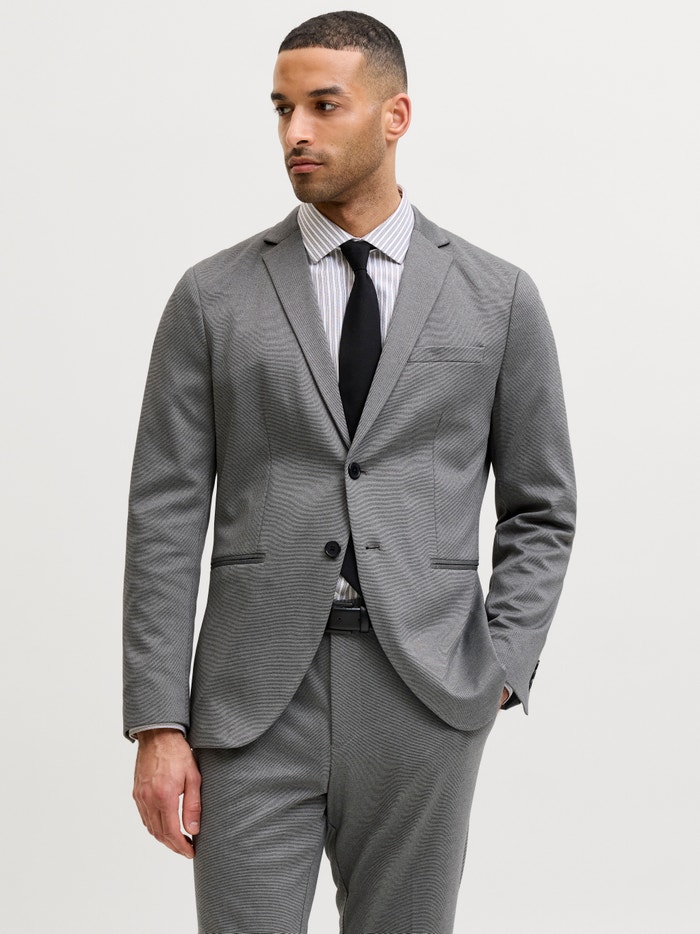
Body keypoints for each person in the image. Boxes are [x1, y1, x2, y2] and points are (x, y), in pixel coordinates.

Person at [123, 10, 576, 933]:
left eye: (323, 106)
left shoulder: (497, 297)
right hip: (250, 700)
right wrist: (157, 721)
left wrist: (499, 663)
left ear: (395, 115)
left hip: (424, 693)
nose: (295, 131)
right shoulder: (212, 297)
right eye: (281, 108)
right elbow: (164, 514)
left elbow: (542, 506)